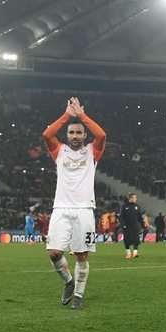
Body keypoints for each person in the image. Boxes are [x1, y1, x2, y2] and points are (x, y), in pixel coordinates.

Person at [42, 97, 107, 310]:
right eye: (71, 132)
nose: (75, 135)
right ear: (67, 135)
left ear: (84, 135)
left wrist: (81, 115)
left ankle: (78, 296)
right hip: (61, 208)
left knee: (81, 255)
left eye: (79, 132)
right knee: (54, 253)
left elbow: (102, 135)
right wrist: (68, 115)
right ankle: (69, 282)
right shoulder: (59, 150)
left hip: (84, 209)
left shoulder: (92, 152)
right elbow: (47, 134)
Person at [120, 192, 145, 258]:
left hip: (135, 226)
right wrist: (123, 225)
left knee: (136, 239)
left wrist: (143, 225)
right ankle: (128, 253)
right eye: (134, 198)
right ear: (130, 198)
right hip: (127, 226)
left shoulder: (137, 206)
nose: (136, 199)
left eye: (135, 198)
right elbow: (121, 217)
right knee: (127, 240)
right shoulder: (124, 206)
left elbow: (140, 217)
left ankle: (135, 253)